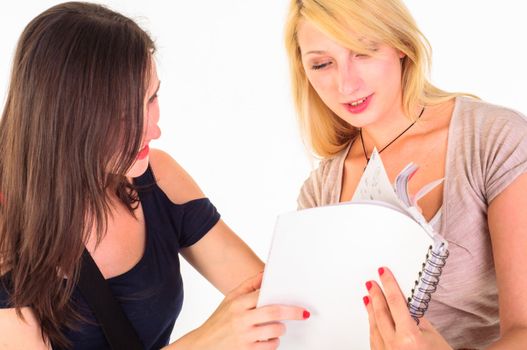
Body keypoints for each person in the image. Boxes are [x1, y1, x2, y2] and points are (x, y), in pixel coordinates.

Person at [0, 2, 309, 349]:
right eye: (121, 114)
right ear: (66, 120)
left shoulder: (158, 178)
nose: (154, 129)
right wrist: (205, 342)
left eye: (151, 97)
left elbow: (279, 303)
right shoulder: (7, 232)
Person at [286, 0, 527, 349]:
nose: (346, 84)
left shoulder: (491, 139)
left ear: (400, 44)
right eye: (322, 64)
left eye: (362, 52)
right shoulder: (320, 193)